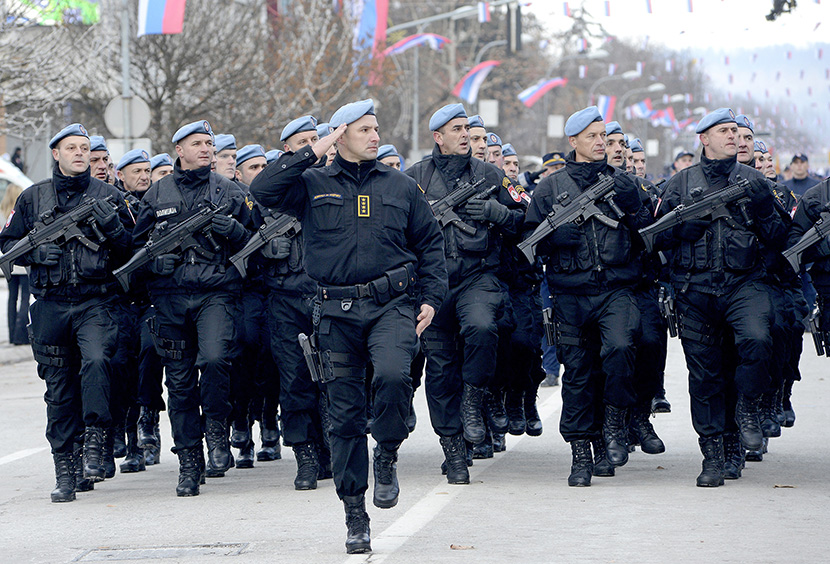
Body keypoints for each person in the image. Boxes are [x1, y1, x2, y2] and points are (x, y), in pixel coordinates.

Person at [250, 99, 447, 554]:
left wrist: (432, 300)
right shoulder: (311, 183)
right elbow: (263, 188)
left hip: (392, 305)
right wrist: (313, 150)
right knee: (344, 415)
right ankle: (355, 513)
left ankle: (389, 450)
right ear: (340, 136)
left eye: (377, 128)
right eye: (364, 130)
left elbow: (430, 247)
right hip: (336, 312)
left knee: (396, 377)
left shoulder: (401, 185)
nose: (375, 136)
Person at [0, 123, 134, 502]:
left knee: (96, 363)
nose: (79, 153)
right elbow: (8, 243)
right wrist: (34, 253)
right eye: (71, 147)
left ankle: (95, 439)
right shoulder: (33, 198)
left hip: (96, 301)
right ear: (56, 153)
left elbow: (134, 250)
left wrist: (112, 228)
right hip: (51, 304)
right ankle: (66, 469)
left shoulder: (108, 195)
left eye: (84, 147)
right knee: (58, 392)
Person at [653, 108, 786, 487]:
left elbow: (781, 237)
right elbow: (654, 239)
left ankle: (747, 408)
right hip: (695, 289)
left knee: (758, 341)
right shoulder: (680, 184)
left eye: (735, 130)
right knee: (706, 376)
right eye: (724, 131)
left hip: (746, 284)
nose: (733, 136)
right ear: (703, 139)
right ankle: (714, 453)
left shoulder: (754, 180)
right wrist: (682, 230)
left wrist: (762, 204)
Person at [523, 106, 654, 487]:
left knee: (619, 350)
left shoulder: (621, 181)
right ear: (574, 142)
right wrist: (552, 239)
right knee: (578, 374)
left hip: (616, 288)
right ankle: (582, 451)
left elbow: (648, 231)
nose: (601, 143)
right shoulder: (551, 187)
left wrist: (632, 201)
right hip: (570, 293)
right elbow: (530, 240)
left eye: (605, 136)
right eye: (594, 137)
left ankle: (615, 423)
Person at [132, 120, 256, 496]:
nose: (206, 149)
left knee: (216, 360)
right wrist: (156, 265)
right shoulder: (156, 194)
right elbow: (137, 253)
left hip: (216, 294)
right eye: (197, 144)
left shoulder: (230, 191)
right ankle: (189, 461)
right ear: (179, 151)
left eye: (209, 143)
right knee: (181, 384)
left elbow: (257, 242)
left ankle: (217, 426)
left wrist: (232, 230)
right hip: (170, 300)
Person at [406, 103, 524, 484]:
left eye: (467, 129)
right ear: (438, 137)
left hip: (479, 276)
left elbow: (527, 218)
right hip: (434, 285)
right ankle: (453, 449)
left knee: (482, 328)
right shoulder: (414, 179)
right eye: (456, 129)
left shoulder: (492, 175)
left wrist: (497, 213)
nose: (464, 135)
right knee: (440, 373)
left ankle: (475, 399)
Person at [0, 183, 30, 345]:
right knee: (25, 297)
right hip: (22, 264)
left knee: (12, 298)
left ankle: (12, 335)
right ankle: (21, 335)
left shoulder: (2, 213)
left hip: (7, 261)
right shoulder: (22, 212)